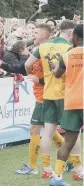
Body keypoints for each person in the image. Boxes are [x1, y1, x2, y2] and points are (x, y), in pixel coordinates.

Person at [25, 20, 77, 179]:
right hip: (64, 95)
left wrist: (35, 78)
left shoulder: (43, 47)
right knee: (73, 133)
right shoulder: (70, 48)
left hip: (47, 95)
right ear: (70, 33)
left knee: (46, 133)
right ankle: (77, 169)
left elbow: (28, 64)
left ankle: (46, 169)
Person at [15, 24, 65, 175]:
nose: (32, 34)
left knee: (35, 128)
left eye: (35, 32)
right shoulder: (40, 50)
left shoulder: (45, 50)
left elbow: (53, 75)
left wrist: (39, 80)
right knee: (49, 128)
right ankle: (69, 159)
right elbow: (26, 67)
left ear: (44, 36)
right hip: (44, 95)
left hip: (46, 96)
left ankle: (32, 166)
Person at [50, 24, 84, 186]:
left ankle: (56, 177)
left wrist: (54, 66)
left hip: (72, 102)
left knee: (68, 141)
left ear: (75, 37)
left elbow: (57, 74)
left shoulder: (68, 55)